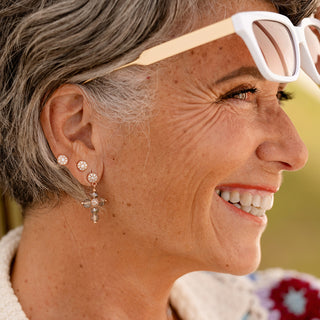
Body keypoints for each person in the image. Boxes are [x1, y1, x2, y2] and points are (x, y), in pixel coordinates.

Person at [0, 0, 320, 319]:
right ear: (79, 131)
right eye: (239, 93)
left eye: (280, 95)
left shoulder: (299, 308)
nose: (296, 152)